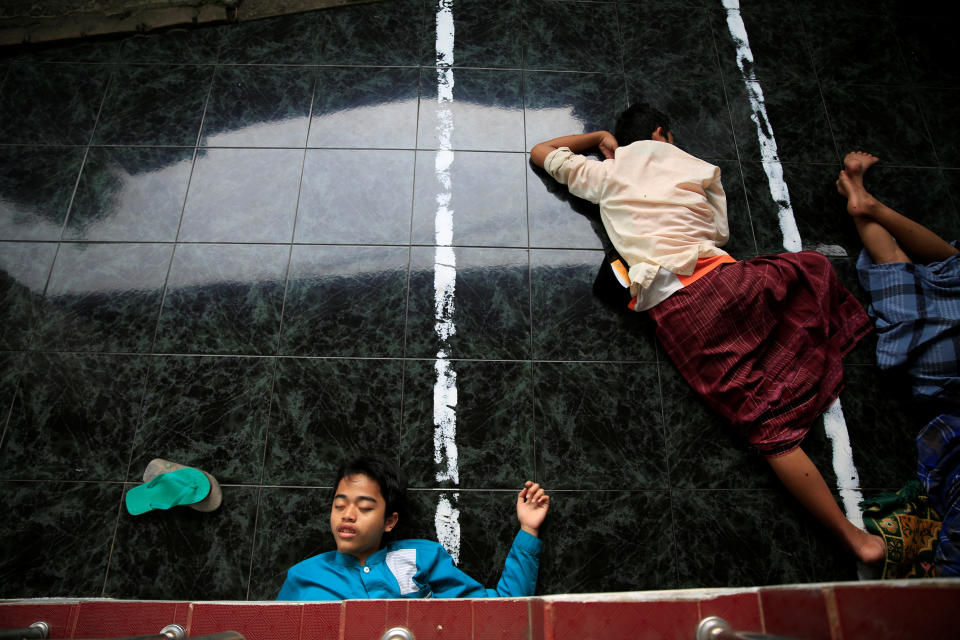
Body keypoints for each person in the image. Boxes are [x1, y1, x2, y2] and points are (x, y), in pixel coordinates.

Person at [530, 102, 884, 564]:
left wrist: (599, 140)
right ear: (663, 134)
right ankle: (805, 363)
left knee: (764, 423)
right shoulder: (697, 165)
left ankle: (853, 539)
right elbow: (718, 231)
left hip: (682, 309)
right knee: (810, 269)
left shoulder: (607, 173)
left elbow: (542, 151)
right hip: (729, 280)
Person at [276, 455, 550, 600]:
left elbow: (500, 610)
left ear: (389, 521)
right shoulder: (303, 578)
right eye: (339, 505)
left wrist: (528, 529)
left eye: (365, 507)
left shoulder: (421, 558)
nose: (347, 515)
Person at [836, 151, 960, 403]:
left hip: (939, 350)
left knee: (952, 261)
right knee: (894, 264)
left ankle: (868, 201)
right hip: (937, 357)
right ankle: (859, 197)